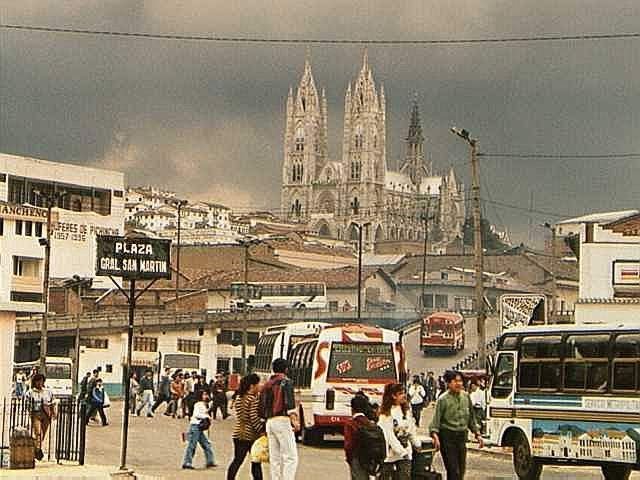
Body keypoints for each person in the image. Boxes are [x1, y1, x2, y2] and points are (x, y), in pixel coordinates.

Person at [429, 370, 483, 480]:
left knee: (461, 471)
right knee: (454, 471)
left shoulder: (466, 397)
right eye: (455, 381)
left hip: (462, 437)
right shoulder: (442, 400)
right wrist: (435, 437)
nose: (458, 384)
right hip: (447, 438)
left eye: (460, 381)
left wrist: (478, 434)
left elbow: (471, 419)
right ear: (448, 383)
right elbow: (435, 422)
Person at [261, 358, 299, 480]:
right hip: (282, 420)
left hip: (270, 422)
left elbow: (261, 406)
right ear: (286, 369)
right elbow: (289, 404)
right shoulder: (286, 382)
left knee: (274, 457)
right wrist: (295, 421)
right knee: (290, 457)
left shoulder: (267, 385)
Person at [377, 383, 420, 480]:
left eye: (404, 392)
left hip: (405, 453)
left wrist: (416, 443)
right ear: (393, 396)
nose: (404, 395)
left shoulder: (406, 411)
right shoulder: (385, 414)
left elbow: (411, 430)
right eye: (400, 393)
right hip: (390, 455)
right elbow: (389, 436)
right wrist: (401, 451)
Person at [227, 373, 264, 480]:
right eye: (258, 384)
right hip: (250, 435)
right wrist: (261, 431)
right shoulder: (253, 399)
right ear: (252, 386)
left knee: (237, 460)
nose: (260, 386)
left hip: (238, 433)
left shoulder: (239, 398)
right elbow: (253, 417)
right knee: (256, 462)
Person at [182, 389, 217, 470]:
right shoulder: (198, 404)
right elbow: (196, 414)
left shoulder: (204, 404)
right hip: (195, 426)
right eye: (204, 394)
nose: (206, 396)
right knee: (192, 445)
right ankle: (187, 462)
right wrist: (206, 417)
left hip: (199, 427)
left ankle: (210, 461)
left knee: (206, 444)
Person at [344, 394, 374, 480]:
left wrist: (349, 458)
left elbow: (348, 445)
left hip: (356, 457)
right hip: (369, 457)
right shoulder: (370, 423)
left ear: (352, 408)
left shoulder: (350, 423)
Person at [25, 373, 54, 460]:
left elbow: (52, 402)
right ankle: (38, 450)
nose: (40, 383)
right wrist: (30, 412)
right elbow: (27, 404)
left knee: (43, 435)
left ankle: (37, 449)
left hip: (46, 414)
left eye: (41, 381)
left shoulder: (48, 392)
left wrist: (53, 412)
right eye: (38, 381)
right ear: (35, 382)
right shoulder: (30, 392)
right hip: (36, 413)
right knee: (38, 433)